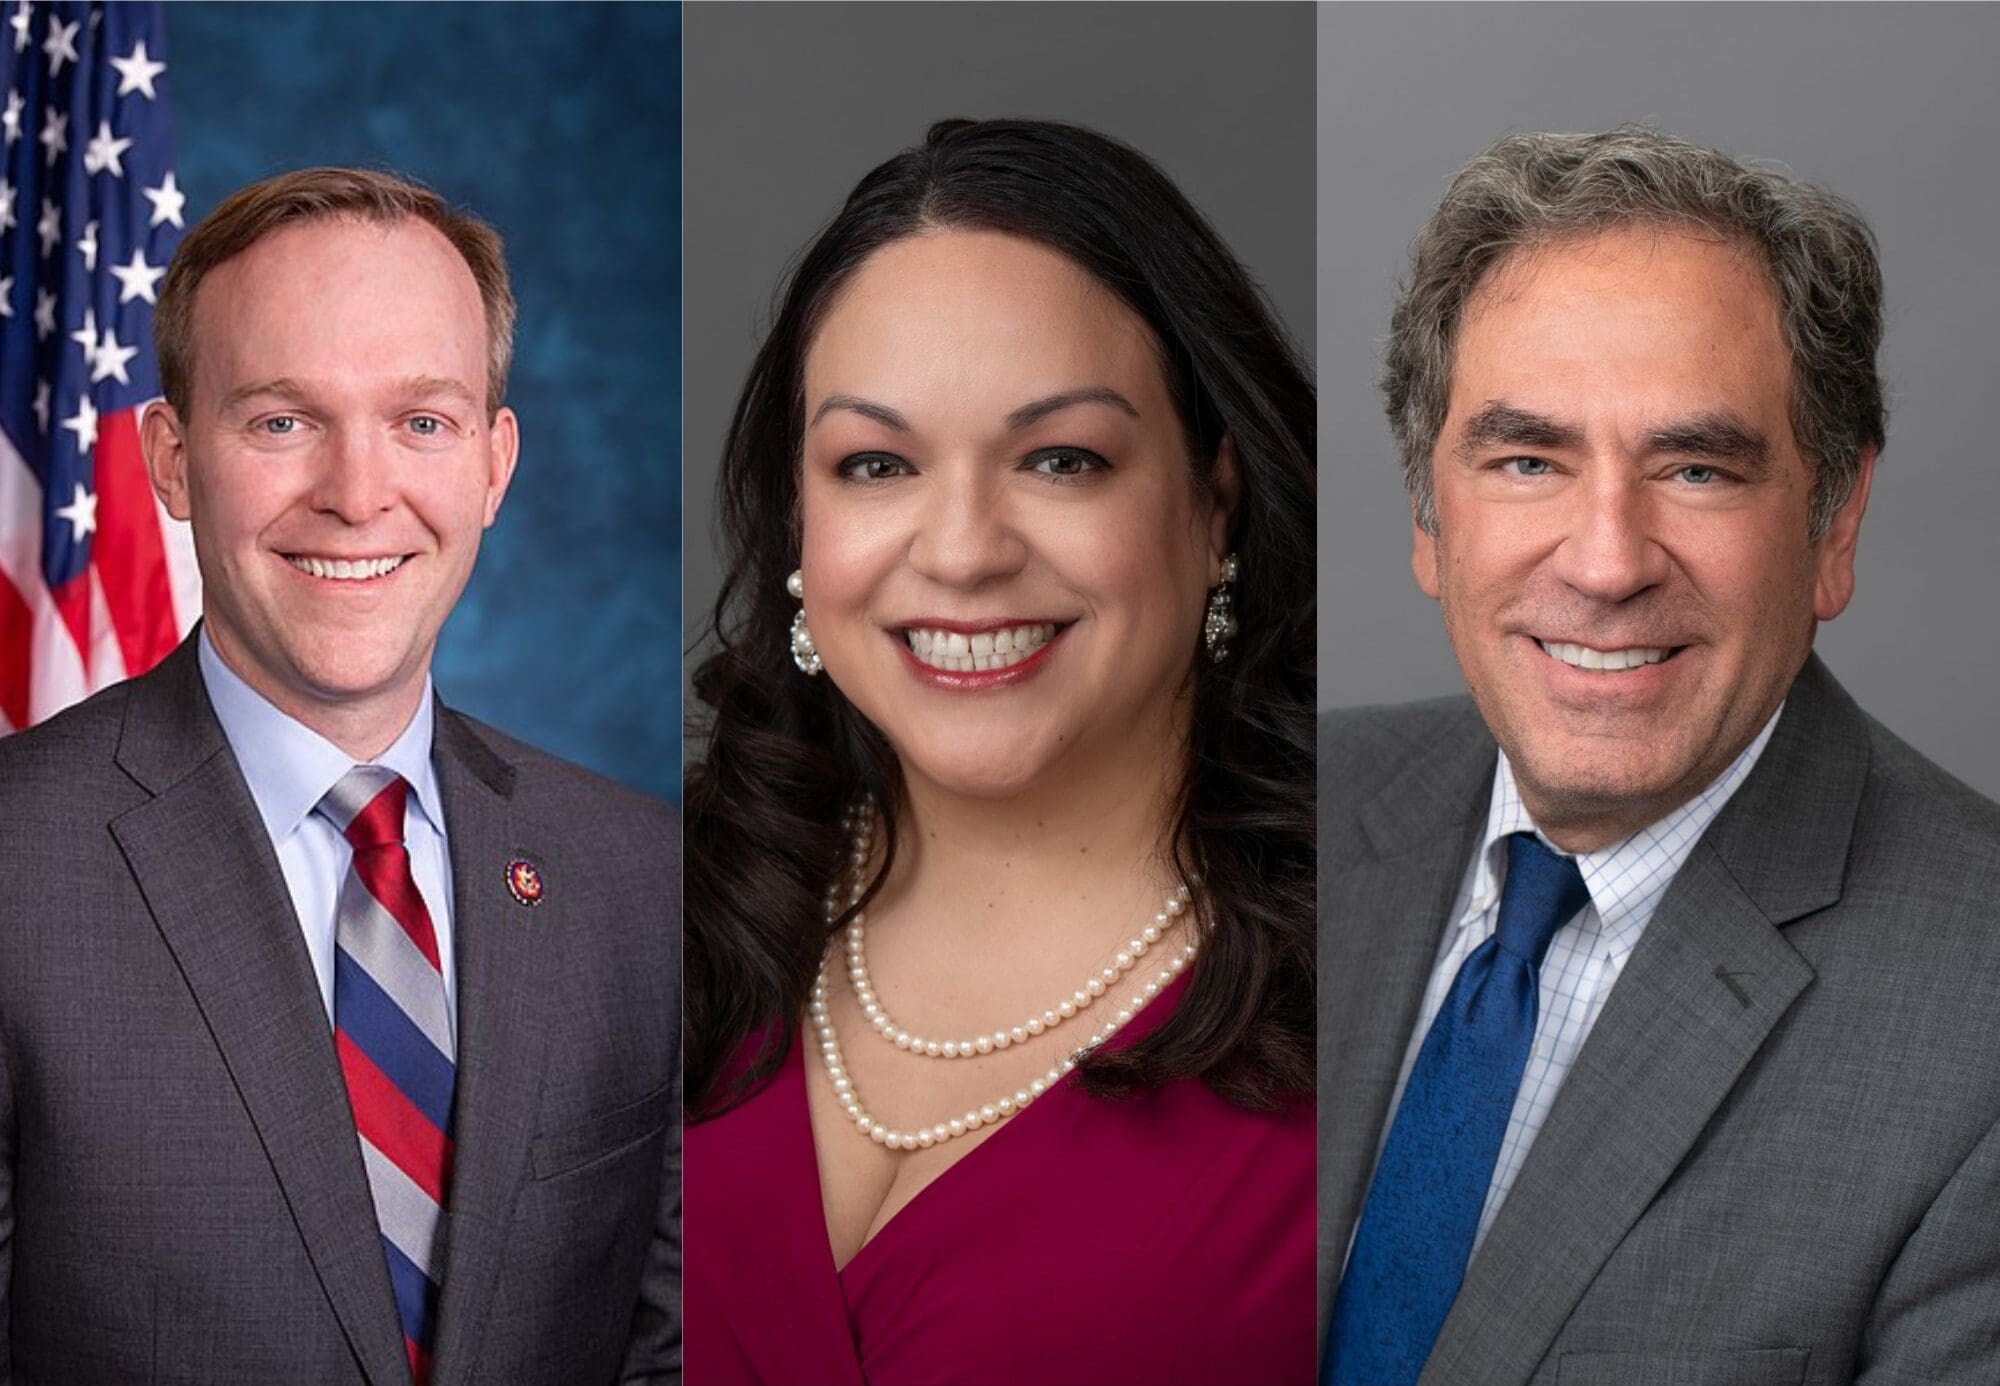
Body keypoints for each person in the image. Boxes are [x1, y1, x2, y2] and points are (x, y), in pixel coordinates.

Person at [1320, 127, 2000, 1385]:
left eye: (1694, 469)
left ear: (1832, 522)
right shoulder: (1286, 813)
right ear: (1427, 514)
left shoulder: (1975, 1027)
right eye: (1526, 461)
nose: (1604, 561)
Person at [0, 169, 680, 1384]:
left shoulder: (642, 880)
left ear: (492, 462)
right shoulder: (19, 866)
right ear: (170, 459)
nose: (358, 496)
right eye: (281, 421)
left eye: (421, 421)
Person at [684, 118, 1316, 1385]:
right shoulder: (646, 912)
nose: (963, 550)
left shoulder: (1392, 973)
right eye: (876, 463)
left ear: (1215, 496)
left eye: (1061, 459)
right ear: (800, 524)